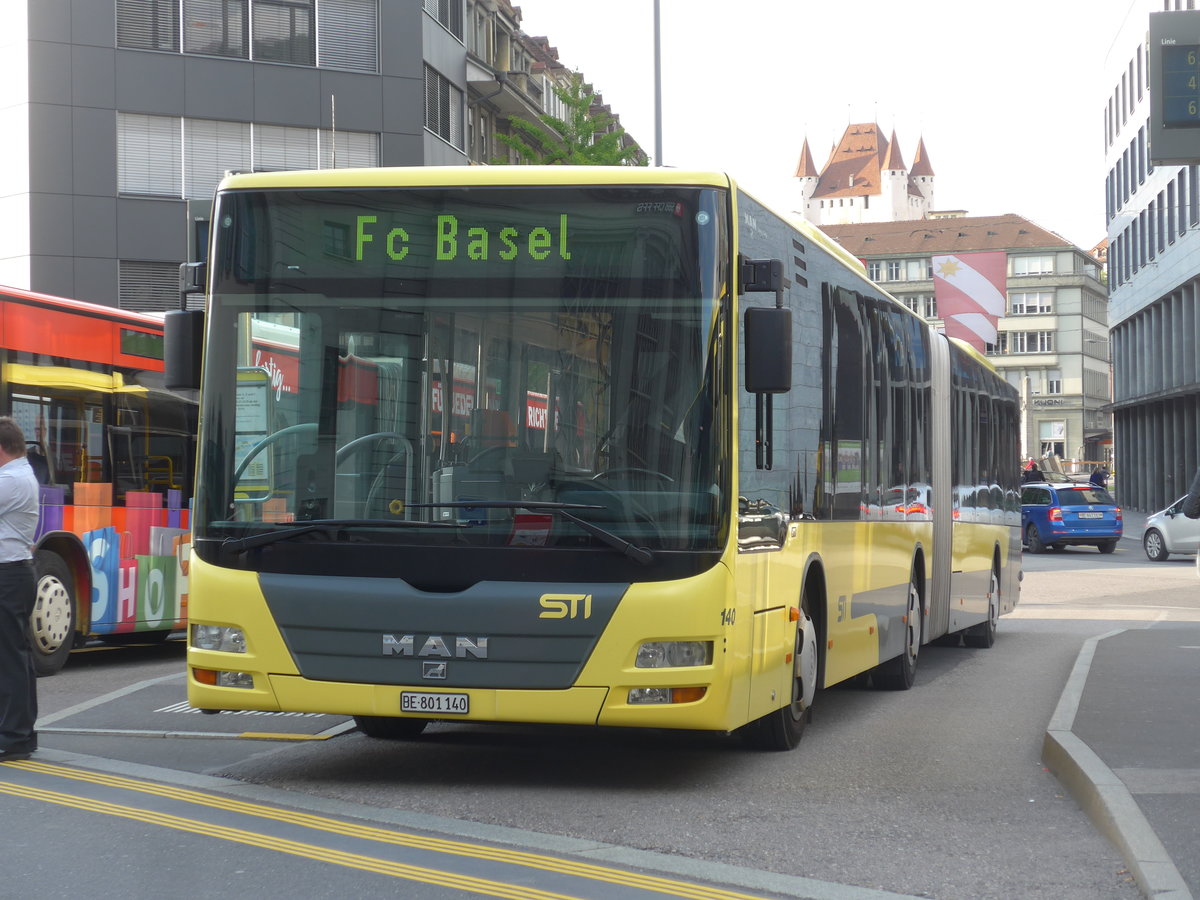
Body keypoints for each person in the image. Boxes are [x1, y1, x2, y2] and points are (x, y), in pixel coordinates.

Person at [0, 417, 42, 761]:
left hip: (8, 575)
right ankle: (20, 734)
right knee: (16, 656)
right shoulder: (19, 475)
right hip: (14, 573)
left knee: (9, 658)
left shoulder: (11, 480)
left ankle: (13, 736)